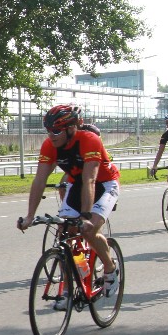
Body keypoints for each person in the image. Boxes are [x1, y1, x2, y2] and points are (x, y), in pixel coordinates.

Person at [17, 105, 120, 303]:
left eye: (56, 130)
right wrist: (29, 216)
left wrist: (85, 216)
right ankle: (70, 285)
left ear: (72, 128)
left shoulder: (89, 140)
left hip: (105, 184)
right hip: (77, 184)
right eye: (48, 130)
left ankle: (110, 268)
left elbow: (90, 180)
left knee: (89, 230)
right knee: (64, 231)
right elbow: (39, 180)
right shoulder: (49, 145)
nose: (51, 135)